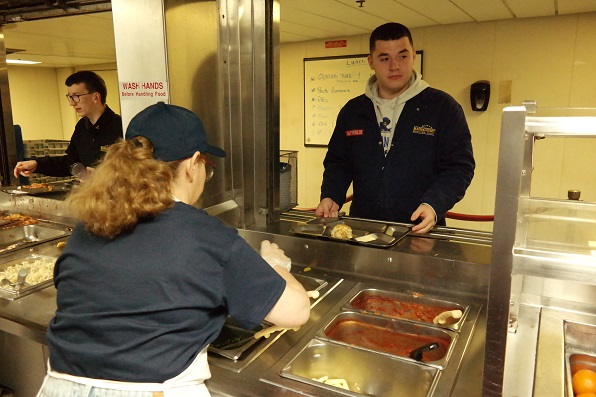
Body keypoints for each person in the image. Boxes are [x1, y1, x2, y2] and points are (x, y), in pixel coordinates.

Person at [37, 102, 310, 397]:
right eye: (207, 166)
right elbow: (295, 312)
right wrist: (275, 264)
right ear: (193, 165)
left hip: (58, 386)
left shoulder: (89, 224)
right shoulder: (204, 234)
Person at [315, 22, 475, 234]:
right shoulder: (353, 111)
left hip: (419, 229)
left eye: (402, 56)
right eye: (384, 58)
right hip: (363, 229)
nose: (394, 66)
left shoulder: (443, 107)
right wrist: (331, 196)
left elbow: (459, 168)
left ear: (414, 56)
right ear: (371, 61)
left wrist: (434, 205)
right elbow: (339, 163)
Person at [13, 70, 123, 179]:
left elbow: (132, 171)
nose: (72, 103)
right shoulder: (82, 127)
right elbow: (70, 163)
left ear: (96, 97)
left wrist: (101, 176)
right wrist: (37, 164)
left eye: (76, 96)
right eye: (70, 97)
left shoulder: (120, 127)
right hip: (90, 194)